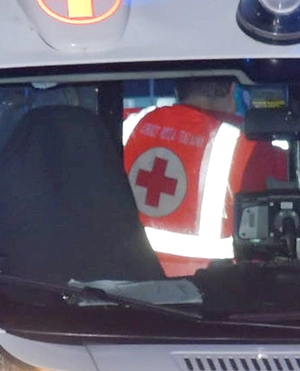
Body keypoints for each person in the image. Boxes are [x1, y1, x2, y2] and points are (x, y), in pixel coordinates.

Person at [123, 77, 288, 276]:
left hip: (128, 280)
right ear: (233, 89)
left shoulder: (129, 123)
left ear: (177, 89)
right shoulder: (253, 143)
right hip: (214, 287)